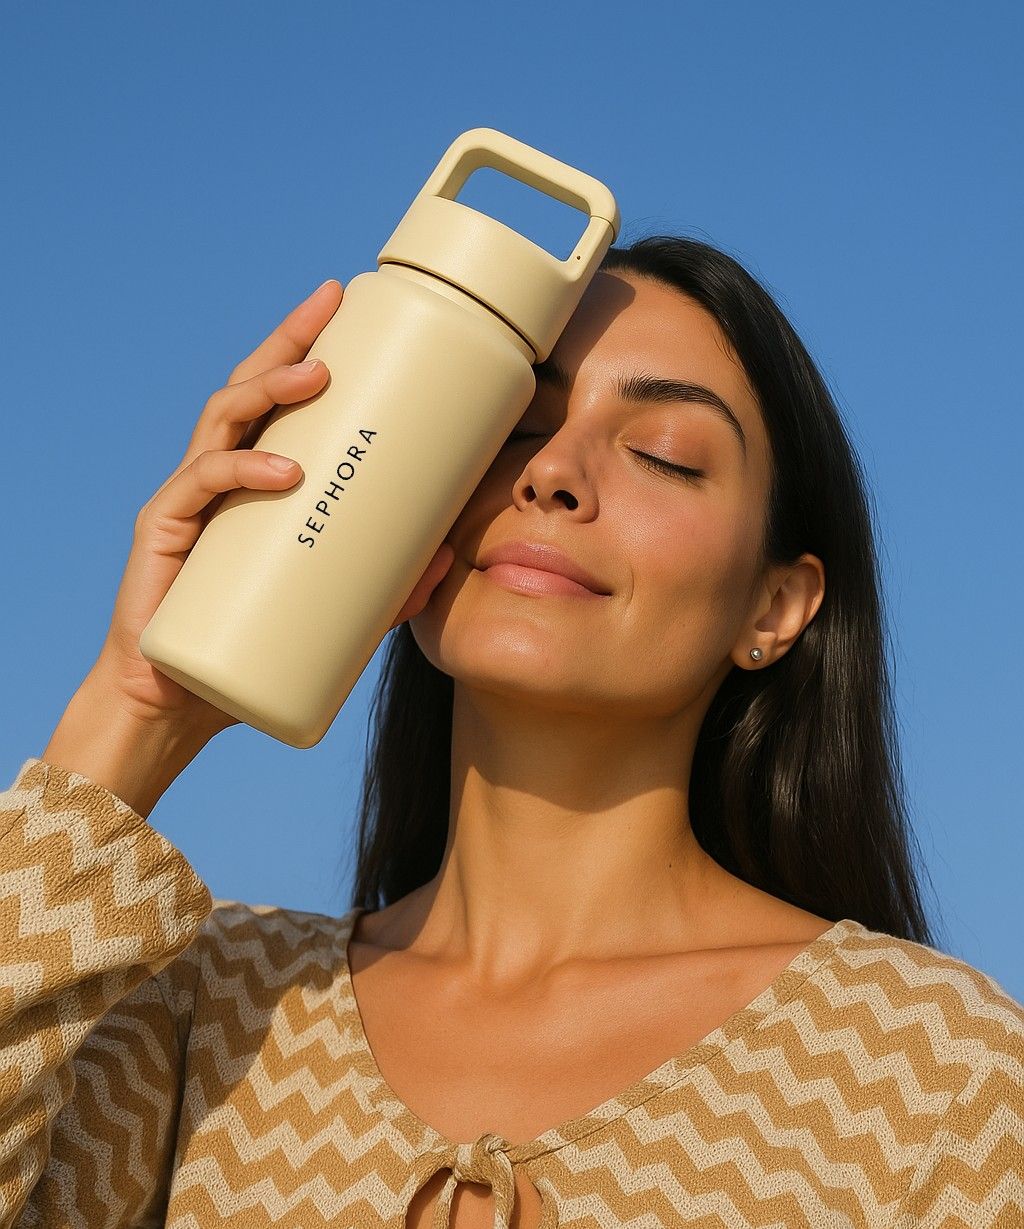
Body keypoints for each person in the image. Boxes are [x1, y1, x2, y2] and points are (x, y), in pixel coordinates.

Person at [1, 236, 1021, 1229]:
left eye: (664, 455)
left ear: (775, 605)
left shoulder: (939, 1072)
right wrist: (136, 711)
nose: (554, 474)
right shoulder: (199, 1009)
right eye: (514, 429)